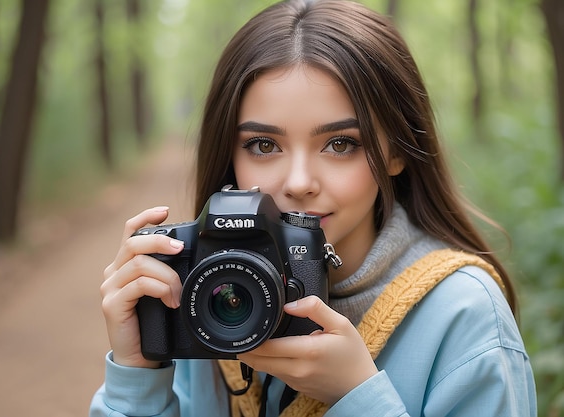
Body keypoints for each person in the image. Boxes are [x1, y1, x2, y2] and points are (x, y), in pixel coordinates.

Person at [90, 0, 537, 416]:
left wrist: (355, 396)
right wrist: (137, 375)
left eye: (340, 144)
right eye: (263, 144)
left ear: (398, 151)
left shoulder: (463, 315)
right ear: (230, 154)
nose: (299, 182)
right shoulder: (206, 287)